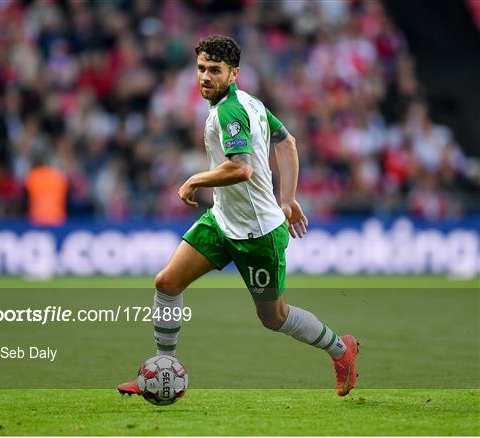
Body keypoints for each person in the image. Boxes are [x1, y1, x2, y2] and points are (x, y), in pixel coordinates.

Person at [118, 35, 359, 397]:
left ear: (234, 74)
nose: (205, 76)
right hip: (223, 220)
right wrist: (288, 198)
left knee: (273, 317)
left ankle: (341, 350)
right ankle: (162, 367)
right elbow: (287, 143)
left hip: (258, 233)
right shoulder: (250, 104)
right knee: (167, 283)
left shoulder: (231, 110)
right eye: (201, 68)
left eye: (214, 70)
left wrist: (195, 179)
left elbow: (241, 170)